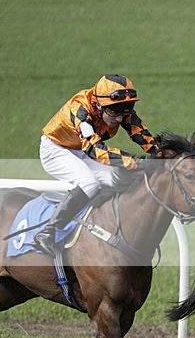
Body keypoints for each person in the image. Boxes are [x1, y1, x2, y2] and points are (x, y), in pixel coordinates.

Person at [32, 74, 161, 257]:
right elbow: (94, 150)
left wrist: (160, 154)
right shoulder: (81, 108)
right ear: (99, 105)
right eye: (114, 113)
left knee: (111, 181)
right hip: (56, 149)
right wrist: (132, 162)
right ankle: (49, 232)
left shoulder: (118, 107)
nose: (119, 119)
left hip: (80, 149)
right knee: (90, 183)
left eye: (125, 111)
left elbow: (140, 132)